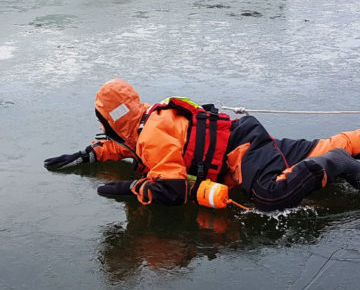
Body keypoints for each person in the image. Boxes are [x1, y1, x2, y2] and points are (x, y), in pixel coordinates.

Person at [44, 78, 360, 211]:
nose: (102, 129)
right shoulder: (143, 123)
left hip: (239, 150)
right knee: (312, 149)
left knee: (270, 195)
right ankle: (345, 147)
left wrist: (127, 189)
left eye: (103, 122)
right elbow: (125, 146)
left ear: (111, 121)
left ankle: (339, 162)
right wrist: (90, 154)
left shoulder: (150, 136)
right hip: (239, 141)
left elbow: (172, 189)